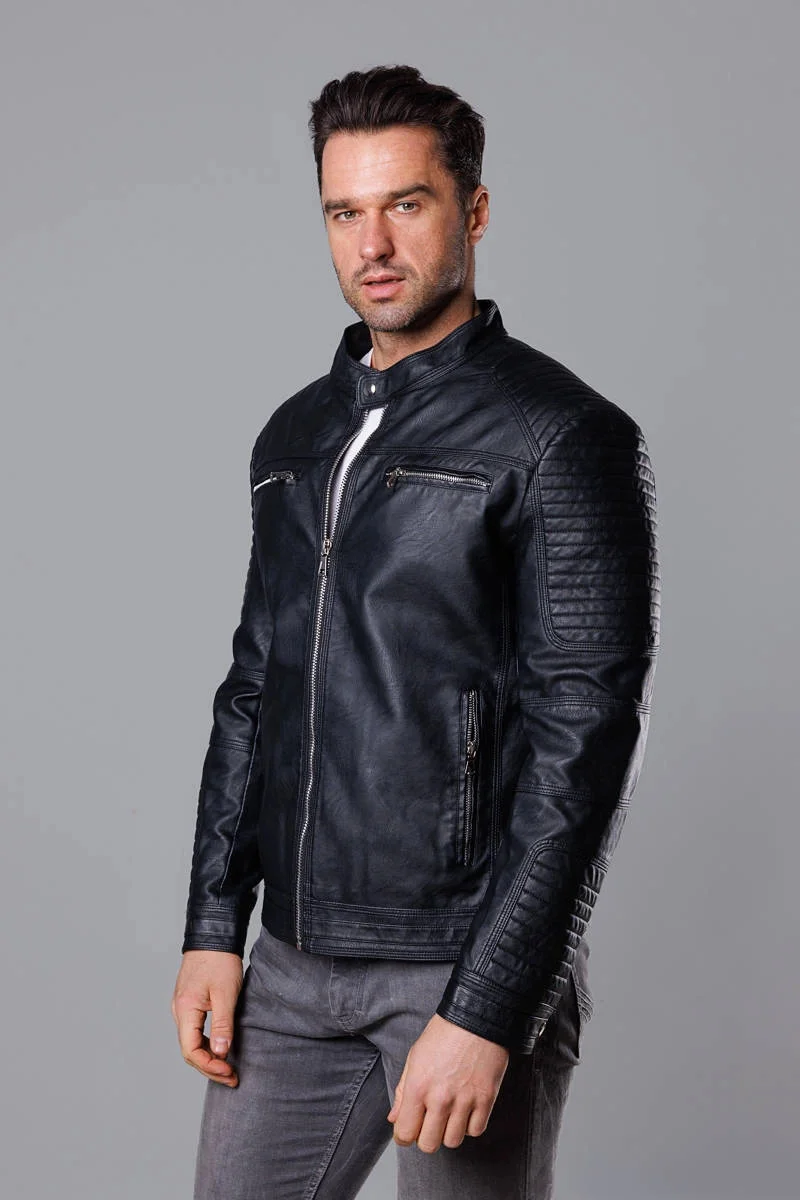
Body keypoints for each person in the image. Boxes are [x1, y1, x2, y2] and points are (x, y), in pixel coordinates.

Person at [171, 63, 661, 1200]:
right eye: (345, 212)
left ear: (473, 211)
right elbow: (254, 691)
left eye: (406, 203)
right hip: (291, 966)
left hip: (456, 961)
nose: (373, 244)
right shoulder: (294, 436)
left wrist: (488, 1005)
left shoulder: (561, 434)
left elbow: (586, 740)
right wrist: (212, 924)